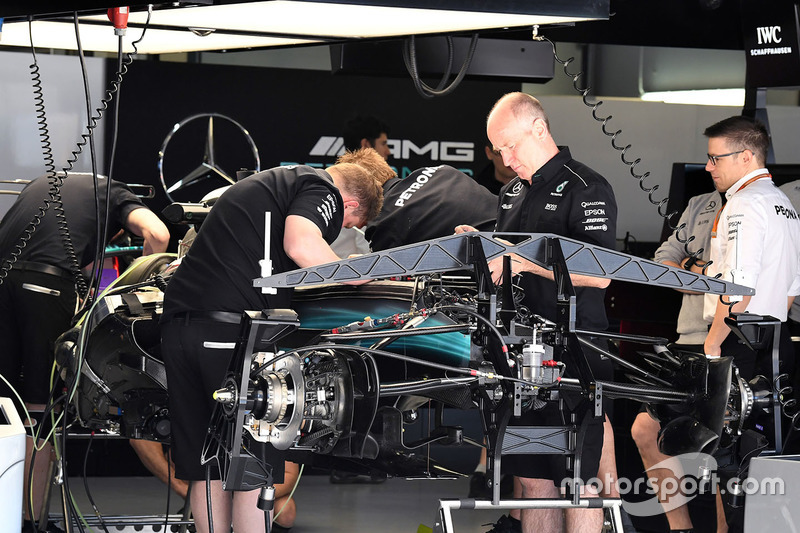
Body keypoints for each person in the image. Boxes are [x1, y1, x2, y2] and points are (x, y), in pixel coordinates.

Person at [160, 152, 384, 533]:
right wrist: (356, 275)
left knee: (206, 465)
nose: (342, 228)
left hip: (181, 328)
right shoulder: (318, 186)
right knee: (254, 462)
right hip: (233, 332)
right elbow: (301, 243)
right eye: (350, 223)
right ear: (349, 204)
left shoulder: (263, 184)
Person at [456, 92, 618, 533]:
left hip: (576, 354)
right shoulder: (511, 192)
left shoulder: (587, 187)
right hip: (520, 354)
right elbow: (506, 258)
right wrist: (481, 246)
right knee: (531, 482)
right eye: (498, 150)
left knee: (579, 482)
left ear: (540, 129)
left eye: (511, 146)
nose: (506, 159)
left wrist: (523, 263)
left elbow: (601, 274)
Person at [0, 172, 170, 531]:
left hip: (3, 281)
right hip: (44, 290)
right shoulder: (116, 193)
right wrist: (139, 291)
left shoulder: (43, 186)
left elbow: (83, 262)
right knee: (39, 413)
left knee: (4, 407)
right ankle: (29, 522)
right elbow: (158, 234)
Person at [630, 186, 724, 532]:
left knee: (722, 444)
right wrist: (695, 270)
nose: (710, 167)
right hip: (687, 340)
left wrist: (691, 270)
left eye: (717, 158)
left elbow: (732, 278)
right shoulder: (699, 203)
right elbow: (663, 263)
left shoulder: (759, 206)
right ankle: (680, 528)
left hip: (729, 338)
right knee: (645, 429)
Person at [365, 164, 497, 252]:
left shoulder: (384, 220)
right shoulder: (442, 169)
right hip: (511, 231)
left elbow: (379, 274)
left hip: (497, 264)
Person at [332, 116, 395, 259]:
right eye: (383, 143)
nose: (388, 151)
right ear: (366, 144)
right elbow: (367, 249)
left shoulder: (338, 182)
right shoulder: (361, 189)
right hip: (350, 274)